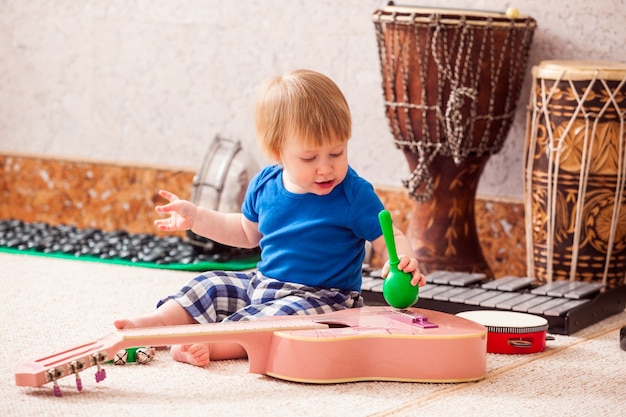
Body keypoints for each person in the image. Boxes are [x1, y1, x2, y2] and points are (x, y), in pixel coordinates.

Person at [114, 69, 426, 367]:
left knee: (275, 322)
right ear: (278, 152)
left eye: (336, 153)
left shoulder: (354, 194)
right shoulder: (265, 185)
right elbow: (243, 231)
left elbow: (389, 239)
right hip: (262, 283)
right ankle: (153, 326)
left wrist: (401, 260)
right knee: (207, 284)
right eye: (309, 157)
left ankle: (215, 344)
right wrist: (197, 218)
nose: (325, 168)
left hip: (325, 300)